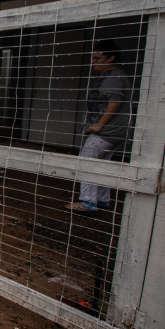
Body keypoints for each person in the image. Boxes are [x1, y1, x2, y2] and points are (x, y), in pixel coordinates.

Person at [66, 40, 132, 213]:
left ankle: (87, 202)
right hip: (114, 130)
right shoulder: (113, 76)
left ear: (110, 58)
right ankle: (102, 199)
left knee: (87, 161)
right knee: (102, 163)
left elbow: (115, 101)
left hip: (107, 131)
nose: (93, 61)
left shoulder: (114, 77)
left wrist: (99, 125)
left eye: (97, 58)